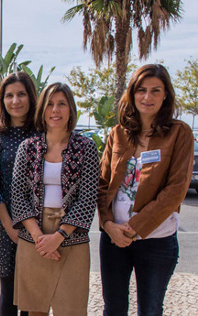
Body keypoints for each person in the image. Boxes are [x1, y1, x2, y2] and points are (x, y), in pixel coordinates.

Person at [98, 64, 193, 315]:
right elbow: (102, 185)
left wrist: (135, 228)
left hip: (156, 241)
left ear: (165, 95)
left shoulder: (179, 133)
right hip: (113, 238)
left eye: (155, 90)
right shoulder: (117, 133)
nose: (147, 97)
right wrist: (108, 225)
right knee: (114, 308)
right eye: (141, 90)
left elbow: (176, 189)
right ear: (132, 93)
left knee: (150, 309)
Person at [11, 82, 99, 316]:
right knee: (35, 309)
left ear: (71, 109)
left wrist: (58, 237)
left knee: (71, 309)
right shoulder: (28, 147)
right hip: (34, 238)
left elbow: (88, 198)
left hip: (71, 236)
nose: (55, 110)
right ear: (42, 110)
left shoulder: (86, 147)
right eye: (49, 104)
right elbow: (18, 195)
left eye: (62, 104)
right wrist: (41, 239)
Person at [0, 72, 37, 316]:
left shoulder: (43, 131)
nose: (15, 100)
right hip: (7, 223)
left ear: (31, 96)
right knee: (9, 292)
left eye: (21, 94)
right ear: (2, 100)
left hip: (40, 223)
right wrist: (9, 226)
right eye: (9, 95)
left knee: (33, 290)